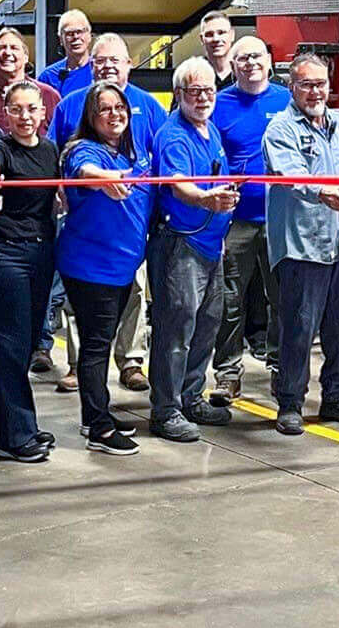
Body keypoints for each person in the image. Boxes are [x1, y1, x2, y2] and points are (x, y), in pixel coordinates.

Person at [260, 51, 339, 435]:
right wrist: (323, 192)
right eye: (306, 84)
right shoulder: (280, 129)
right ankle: (290, 402)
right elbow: (290, 176)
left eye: (321, 84)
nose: (315, 91)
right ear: (291, 87)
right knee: (299, 326)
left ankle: (338, 396)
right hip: (302, 246)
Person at [49, 33, 163, 390]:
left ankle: (130, 361)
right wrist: (66, 188)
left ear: (130, 64)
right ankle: (80, 366)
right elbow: (61, 155)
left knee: (132, 296)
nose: (108, 66)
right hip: (88, 229)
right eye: (100, 61)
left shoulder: (148, 106)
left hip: (132, 231)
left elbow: (160, 158)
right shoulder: (70, 104)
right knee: (84, 309)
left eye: (116, 60)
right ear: (91, 66)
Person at [146, 57, 240, 443]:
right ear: (180, 95)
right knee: (176, 326)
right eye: (194, 91)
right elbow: (177, 183)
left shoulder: (210, 130)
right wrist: (205, 200)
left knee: (206, 323)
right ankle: (165, 410)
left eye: (208, 91)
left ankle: (190, 396)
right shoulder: (173, 135)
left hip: (209, 245)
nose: (203, 98)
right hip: (180, 245)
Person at [57, 84, 154, 455]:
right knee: (96, 347)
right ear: (90, 118)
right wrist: (104, 180)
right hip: (90, 267)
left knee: (104, 342)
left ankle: (93, 414)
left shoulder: (134, 152)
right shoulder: (84, 149)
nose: (114, 115)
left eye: (120, 108)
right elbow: (84, 170)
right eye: (104, 110)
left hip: (123, 267)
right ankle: (98, 427)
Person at [0, 81, 60, 463]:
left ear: (43, 113)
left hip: (41, 256)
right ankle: (14, 439)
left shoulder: (50, 150)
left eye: (32, 109)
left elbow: (59, 197)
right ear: (5, 114)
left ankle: (18, 426)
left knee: (24, 348)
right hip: (4, 256)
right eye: (17, 110)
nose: (25, 116)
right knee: (11, 346)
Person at [210, 35, 291, 395]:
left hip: (281, 218)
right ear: (233, 63)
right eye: (241, 58)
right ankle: (227, 372)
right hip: (236, 221)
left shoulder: (287, 101)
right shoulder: (219, 104)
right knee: (229, 299)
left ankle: (281, 368)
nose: (250, 63)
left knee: (283, 299)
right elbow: (210, 157)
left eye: (256, 56)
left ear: (269, 60)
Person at [37, 9, 95, 96]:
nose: (75, 37)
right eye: (69, 33)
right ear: (61, 39)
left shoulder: (99, 70)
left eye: (80, 32)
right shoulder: (48, 76)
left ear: (89, 36)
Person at [198, 11, 237, 89]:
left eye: (221, 33)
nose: (216, 39)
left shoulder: (244, 72)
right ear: (202, 39)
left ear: (232, 35)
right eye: (209, 34)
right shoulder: (193, 73)